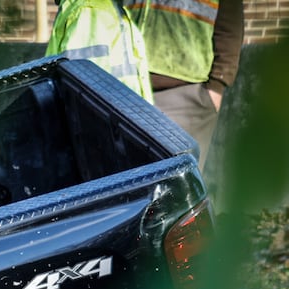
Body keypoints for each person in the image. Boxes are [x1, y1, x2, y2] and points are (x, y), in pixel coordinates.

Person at [125, 0, 244, 166]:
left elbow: (230, 24)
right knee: (125, 181)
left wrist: (218, 84)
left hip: (185, 94)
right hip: (126, 85)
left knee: (177, 184)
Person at [45, 0, 154, 102]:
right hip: (115, 114)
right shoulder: (90, 11)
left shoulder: (106, 9)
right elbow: (89, 86)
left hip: (127, 113)